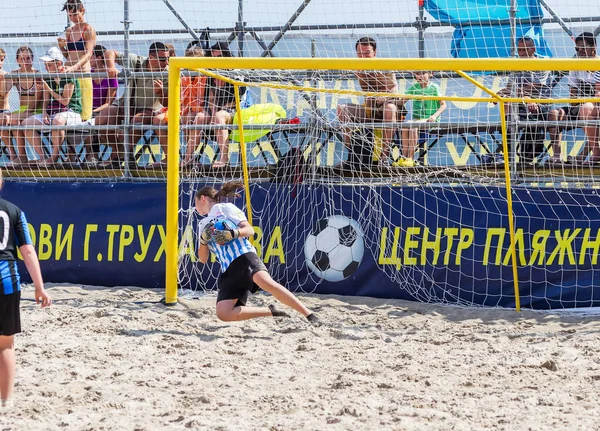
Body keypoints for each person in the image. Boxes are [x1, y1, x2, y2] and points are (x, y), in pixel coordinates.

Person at [195, 181, 320, 325]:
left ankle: (309, 314)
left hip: (243, 256)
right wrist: (203, 241)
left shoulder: (225, 208)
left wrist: (233, 233)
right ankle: (271, 311)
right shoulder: (202, 224)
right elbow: (203, 259)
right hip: (228, 269)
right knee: (224, 313)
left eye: (196, 202)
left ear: (203, 198)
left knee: (268, 284)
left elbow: (249, 230)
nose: (195, 207)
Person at [0, 168, 52, 409]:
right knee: (5, 345)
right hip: (6, 281)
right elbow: (28, 251)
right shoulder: (15, 211)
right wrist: (39, 287)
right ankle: (6, 402)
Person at [95, 42, 169, 168]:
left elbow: (167, 103)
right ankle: (121, 154)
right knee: (102, 118)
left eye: (168, 59)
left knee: (137, 120)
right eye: (163, 59)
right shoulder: (137, 61)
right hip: (126, 103)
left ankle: (118, 157)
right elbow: (109, 53)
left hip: (150, 109)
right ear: (151, 57)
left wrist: (161, 92)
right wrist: (111, 67)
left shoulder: (167, 73)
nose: (166, 62)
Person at [337, 37, 405, 166]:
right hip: (369, 109)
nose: (363, 57)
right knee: (342, 108)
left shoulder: (385, 66)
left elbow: (394, 91)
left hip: (386, 107)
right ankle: (352, 155)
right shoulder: (359, 67)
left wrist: (384, 98)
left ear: (375, 52)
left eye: (367, 53)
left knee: (389, 109)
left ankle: (384, 157)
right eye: (360, 54)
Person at [492, 36, 560, 164]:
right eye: (519, 50)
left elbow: (533, 87)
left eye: (524, 50)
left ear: (533, 49)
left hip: (541, 104)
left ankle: (524, 157)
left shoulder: (543, 63)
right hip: (522, 103)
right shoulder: (516, 65)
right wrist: (500, 95)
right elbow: (510, 87)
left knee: (529, 118)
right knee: (507, 104)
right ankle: (506, 155)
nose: (521, 53)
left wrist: (521, 96)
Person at [21, 47, 82, 166]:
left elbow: (65, 101)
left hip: (72, 112)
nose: (45, 68)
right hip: (54, 112)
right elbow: (46, 100)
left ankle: (54, 156)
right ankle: (43, 157)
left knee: (57, 120)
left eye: (49, 65)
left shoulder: (69, 76)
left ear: (59, 63)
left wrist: (47, 88)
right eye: (45, 64)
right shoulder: (48, 77)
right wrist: (44, 113)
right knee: (26, 123)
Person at [151, 44, 207, 167]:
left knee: (190, 117)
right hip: (180, 109)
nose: (193, 65)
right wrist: (161, 91)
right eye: (190, 61)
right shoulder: (180, 75)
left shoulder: (206, 76)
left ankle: (189, 158)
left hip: (198, 109)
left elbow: (206, 100)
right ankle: (169, 158)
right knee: (157, 119)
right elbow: (173, 99)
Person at [553, 32, 600, 164]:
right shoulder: (575, 65)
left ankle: (585, 155)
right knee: (554, 114)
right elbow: (572, 98)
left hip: (594, 107)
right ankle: (557, 155)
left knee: (588, 112)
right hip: (581, 105)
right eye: (577, 48)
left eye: (583, 47)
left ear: (593, 47)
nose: (579, 50)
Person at [205, 42, 247, 168]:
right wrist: (211, 114)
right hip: (218, 110)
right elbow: (211, 99)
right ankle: (188, 158)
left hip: (237, 109)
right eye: (213, 58)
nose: (216, 61)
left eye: (219, 57)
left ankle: (224, 158)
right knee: (197, 117)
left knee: (219, 116)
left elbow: (238, 99)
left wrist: (218, 112)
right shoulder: (210, 75)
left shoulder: (235, 72)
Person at [2, 47, 44, 166]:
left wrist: (18, 115)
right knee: (2, 118)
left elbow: (36, 102)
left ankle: (22, 156)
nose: (26, 61)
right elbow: (4, 91)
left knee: (14, 118)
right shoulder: (15, 74)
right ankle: (13, 154)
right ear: (17, 60)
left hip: (36, 110)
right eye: (22, 58)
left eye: (28, 58)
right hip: (22, 110)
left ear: (32, 59)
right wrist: (4, 79)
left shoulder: (37, 75)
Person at [57, 0, 96, 123]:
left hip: (82, 75)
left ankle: (88, 142)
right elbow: (68, 55)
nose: (73, 18)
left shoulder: (88, 29)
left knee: (85, 116)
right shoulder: (69, 31)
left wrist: (74, 67)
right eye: (70, 15)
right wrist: (61, 46)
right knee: (67, 112)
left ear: (82, 10)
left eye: (75, 14)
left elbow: (88, 53)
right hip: (69, 76)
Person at [400, 70, 446, 166]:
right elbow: (401, 102)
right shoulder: (414, 88)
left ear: (430, 74)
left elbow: (443, 105)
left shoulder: (434, 88)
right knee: (404, 126)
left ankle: (410, 158)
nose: (420, 76)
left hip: (430, 119)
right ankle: (403, 157)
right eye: (417, 74)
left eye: (423, 73)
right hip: (417, 119)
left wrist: (434, 116)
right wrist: (388, 99)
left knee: (413, 127)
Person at [85, 44, 118, 164]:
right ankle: (76, 156)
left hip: (102, 110)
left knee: (93, 123)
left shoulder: (110, 76)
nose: (87, 59)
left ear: (98, 58)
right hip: (87, 109)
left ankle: (93, 156)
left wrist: (93, 112)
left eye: (90, 56)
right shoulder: (88, 73)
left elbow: (109, 102)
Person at [0, 48, 10, 163]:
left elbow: (3, 94)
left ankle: (12, 155)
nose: (0, 63)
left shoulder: (5, 76)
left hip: (3, 112)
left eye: (2, 60)